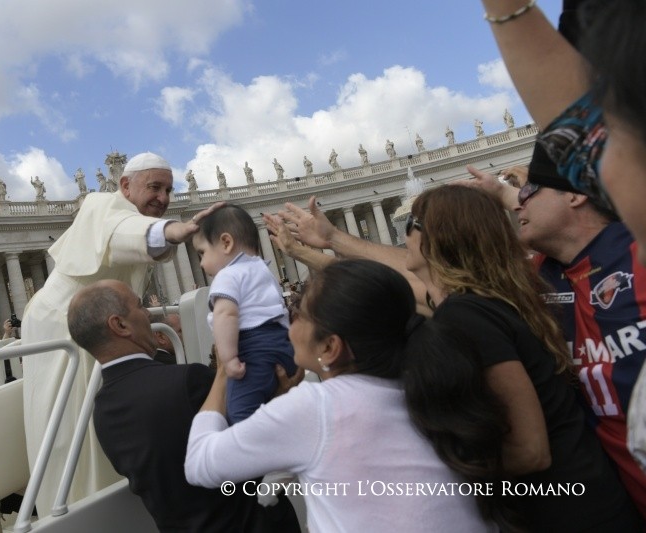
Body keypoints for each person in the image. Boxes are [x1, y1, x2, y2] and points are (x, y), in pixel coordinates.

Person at [274, 187, 641, 531]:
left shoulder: (468, 315)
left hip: (569, 513)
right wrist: (310, 250)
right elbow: (392, 289)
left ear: (436, 240)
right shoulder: (472, 304)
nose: (404, 235)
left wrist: (428, 470)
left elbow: (530, 452)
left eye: (411, 224)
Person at [185, 260, 508, 531]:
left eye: (297, 311)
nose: (288, 320)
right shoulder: (431, 385)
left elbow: (200, 463)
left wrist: (224, 374)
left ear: (330, 347)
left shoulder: (313, 407)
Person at [20, 151, 222, 512]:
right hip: (66, 325)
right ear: (125, 185)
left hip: (93, 325)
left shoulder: (131, 217)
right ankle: (79, 507)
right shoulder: (102, 206)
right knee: (70, 426)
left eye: (168, 190)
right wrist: (172, 230)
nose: (163, 197)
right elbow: (125, 233)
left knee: (94, 420)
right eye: (155, 187)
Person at [464, 146, 646, 517]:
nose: (518, 204)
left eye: (529, 192)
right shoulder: (541, 275)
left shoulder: (637, 249)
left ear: (576, 195)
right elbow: (438, 277)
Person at [66, 279, 301, 532]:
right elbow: (260, 442)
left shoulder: (102, 413)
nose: (148, 314)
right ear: (120, 325)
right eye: (139, 305)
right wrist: (281, 392)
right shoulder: (188, 381)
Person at [191, 204, 297, 423]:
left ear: (226, 243)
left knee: (240, 415)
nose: (201, 263)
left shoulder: (227, 275)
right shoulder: (263, 269)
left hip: (253, 350)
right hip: (283, 346)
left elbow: (226, 315)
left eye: (202, 253)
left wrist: (229, 359)